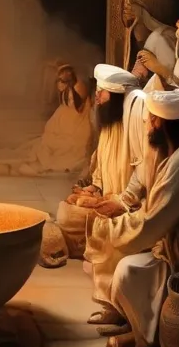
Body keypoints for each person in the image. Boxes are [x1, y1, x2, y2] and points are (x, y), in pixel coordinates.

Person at [90, 88, 179, 347]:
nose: (145, 125)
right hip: (166, 250)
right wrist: (118, 205)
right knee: (119, 258)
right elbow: (141, 179)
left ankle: (147, 341)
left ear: (160, 123)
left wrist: (109, 229)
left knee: (127, 271)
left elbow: (153, 222)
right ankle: (141, 328)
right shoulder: (167, 150)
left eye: (149, 120)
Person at [55, 65, 140, 265]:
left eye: (102, 93)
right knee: (65, 212)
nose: (98, 97)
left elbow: (143, 175)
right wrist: (93, 188)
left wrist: (121, 201)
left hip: (128, 208)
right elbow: (100, 167)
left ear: (116, 96)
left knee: (71, 221)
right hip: (106, 201)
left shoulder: (135, 126)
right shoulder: (108, 126)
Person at [15, 62, 93, 177]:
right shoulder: (65, 93)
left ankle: (46, 163)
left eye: (62, 78)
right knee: (44, 142)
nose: (59, 81)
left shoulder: (78, 86)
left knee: (62, 147)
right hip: (66, 121)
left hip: (77, 125)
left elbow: (79, 107)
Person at [122, 0, 176, 83]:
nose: (126, 11)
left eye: (130, 8)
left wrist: (157, 66)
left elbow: (173, 80)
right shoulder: (133, 36)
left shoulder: (159, 38)